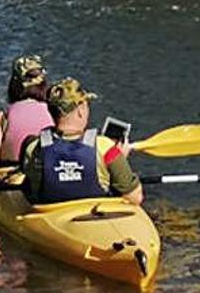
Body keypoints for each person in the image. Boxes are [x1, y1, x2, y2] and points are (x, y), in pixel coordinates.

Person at [21, 77, 143, 206]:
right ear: (80, 110)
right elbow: (134, 197)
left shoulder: (34, 148)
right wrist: (119, 160)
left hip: (52, 215)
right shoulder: (105, 148)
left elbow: (31, 191)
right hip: (96, 215)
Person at [0, 55, 53, 173]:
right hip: (46, 175)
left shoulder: (5, 116)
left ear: (14, 85)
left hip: (13, 174)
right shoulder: (54, 112)